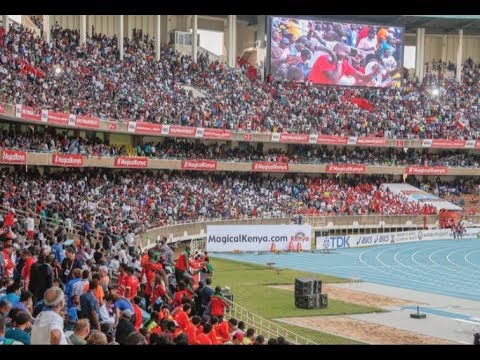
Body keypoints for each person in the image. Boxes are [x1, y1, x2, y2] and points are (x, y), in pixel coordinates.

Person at [307, 43, 380, 85]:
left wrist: (374, 74)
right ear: (336, 50)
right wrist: (339, 61)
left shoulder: (344, 64)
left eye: (348, 53)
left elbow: (363, 78)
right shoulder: (324, 58)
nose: (347, 55)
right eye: (345, 52)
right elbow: (334, 79)